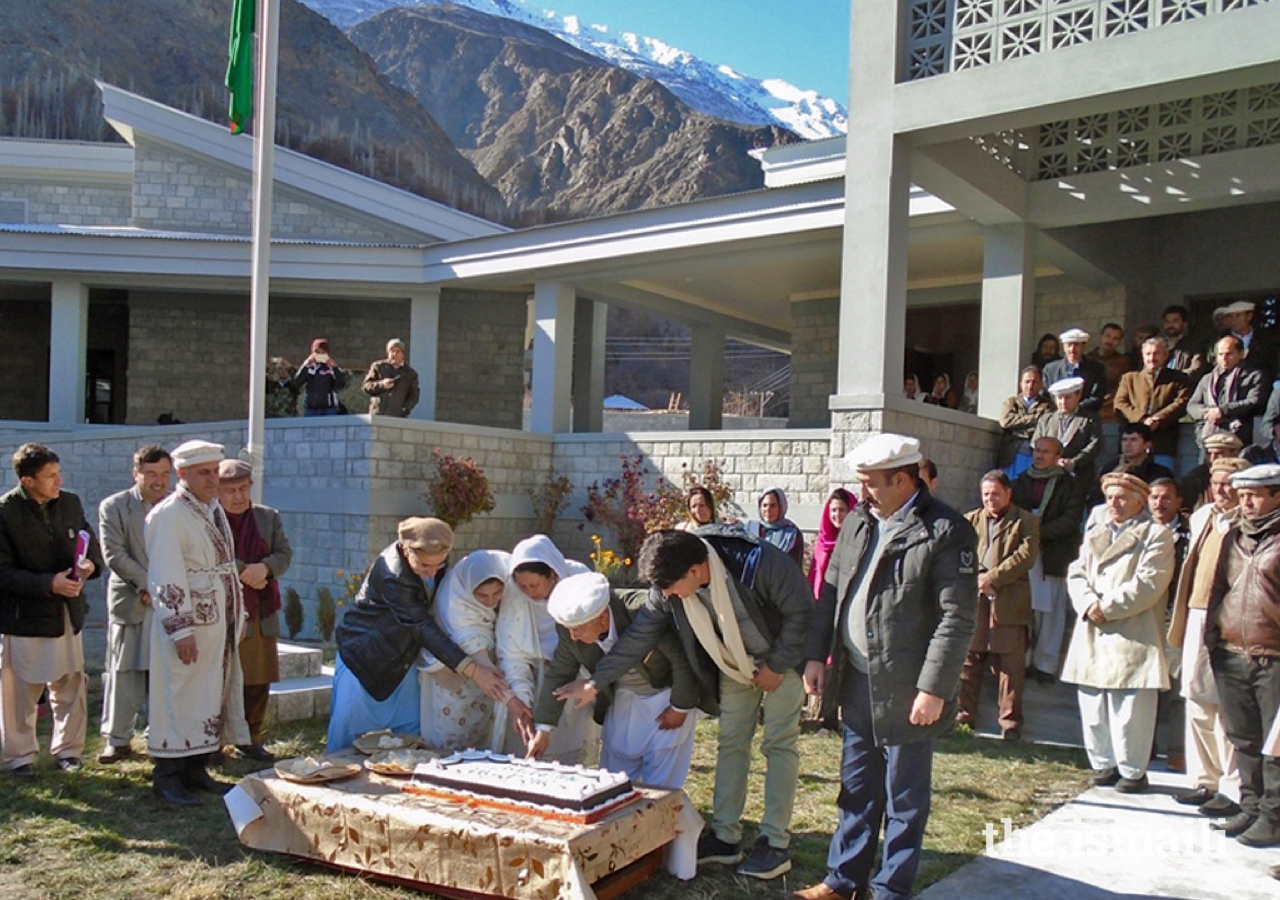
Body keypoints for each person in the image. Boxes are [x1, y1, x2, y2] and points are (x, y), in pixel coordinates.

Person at [559, 524, 814, 881]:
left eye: (670, 588)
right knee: (731, 743)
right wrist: (595, 682)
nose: (667, 596)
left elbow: (802, 611)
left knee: (778, 744)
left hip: (781, 661)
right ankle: (726, 837)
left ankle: (774, 843)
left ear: (695, 571)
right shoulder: (668, 586)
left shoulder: (758, 562)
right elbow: (636, 639)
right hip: (733, 663)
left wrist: (777, 665)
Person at [793, 433, 976, 900]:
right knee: (856, 788)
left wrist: (933, 688)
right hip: (855, 678)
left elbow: (956, 618)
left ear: (901, 479)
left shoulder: (946, 531)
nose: (862, 493)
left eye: (870, 483)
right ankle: (842, 879)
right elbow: (830, 592)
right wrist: (817, 655)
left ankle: (890, 888)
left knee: (904, 798)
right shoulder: (858, 521)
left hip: (909, 688)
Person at [327, 517, 509, 752]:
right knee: (344, 738)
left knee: (411, 740)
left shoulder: (435, 563)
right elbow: (420, 625)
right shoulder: (392, 573)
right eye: (424, 566)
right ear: (405, 549)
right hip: (364, 659)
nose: (432, 572)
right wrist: (474, 671)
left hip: (404, 662)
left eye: (439, 565)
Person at [528, 572, 706, 789]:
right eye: (569, 630)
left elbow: (681, 660)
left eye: (578, 630)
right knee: (614, 777)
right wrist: (543, 730)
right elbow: (559, 673)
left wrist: (680, 707)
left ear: (603, 617)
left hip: (666, 692)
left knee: (661, 780)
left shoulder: (644, 612)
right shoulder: (570, 630)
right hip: (622, 695)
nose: (573, 637)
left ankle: (669, 820)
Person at [145, 440, 248, 805]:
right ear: (182, 473)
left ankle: (195, 768)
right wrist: (180, 627)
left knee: (206, 692)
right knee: (179, 692)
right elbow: (165, 573)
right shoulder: (168, 515)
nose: (211, 479)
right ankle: (167, 775)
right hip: (188, 626)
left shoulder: (213, 509)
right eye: (203, 473)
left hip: (216, 622)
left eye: (215, 472)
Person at [1062, 472, 1174, 794]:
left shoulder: (1156, 535)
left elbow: (1149, 584)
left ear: (1140, 501)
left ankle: (1133, 770)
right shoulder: (1095, 530)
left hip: (1131, 630)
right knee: (1093, 702)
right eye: (1110, 497)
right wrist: (1086, 603)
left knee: (1130, 708)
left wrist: (1106, 607)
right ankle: (1103, 764)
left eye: (1122, 497)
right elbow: (1077, 571)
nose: (1114, 503)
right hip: (1093, 626)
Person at [0, 443, 103, 778]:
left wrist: (88, 567)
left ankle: (69, 752)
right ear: (28, 481)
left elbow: (90, 544)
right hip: (24, 617)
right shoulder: (5, 512)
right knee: (20, 691)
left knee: (71, 685)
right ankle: (19, 757)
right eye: (50, 476)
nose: (59, 481)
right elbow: (2, 572)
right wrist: (49, 584)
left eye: (59, 473)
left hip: (67, 613)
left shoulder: (69, 502)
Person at [1167, 458, 1248, 819]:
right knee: (1196, 700)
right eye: (1217, 482)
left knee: (1228, 706)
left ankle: (1233, 788)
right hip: (1197, 615)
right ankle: (1204, 780)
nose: (1222, 489)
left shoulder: (1250, 524)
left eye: (1230, 482)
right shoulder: (1200, 518)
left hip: (1231, 621)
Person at [1205, 463, 1280, 846]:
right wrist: (1214, 640)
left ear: (1276, 495)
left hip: (1273, 657)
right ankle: (1250, 807)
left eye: (1255, 494)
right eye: (1243, 494)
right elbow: (1220, 589)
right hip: (1232, 652)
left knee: (1275, 745)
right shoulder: (1234, 537)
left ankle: (1273, 817)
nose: (1246, 501)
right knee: (1244, 737)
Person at [97, 444, 172, 764]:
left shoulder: (178, 507)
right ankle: (117, 739)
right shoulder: (114, 506)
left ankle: (162, 737)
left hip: (169, 603)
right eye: (151, 474)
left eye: (165, 474)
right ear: (136, 473)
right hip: (132, 602)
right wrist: (147, 585)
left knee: (165, 674)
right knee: (124, 673)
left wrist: (161, 589)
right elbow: (114, 554)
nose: (159, 481)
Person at [494, 535, 594, 762]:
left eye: (535, 585)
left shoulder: (579, 579)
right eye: (523, 586)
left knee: (566, 747)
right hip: (529, 676)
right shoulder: (515, 595)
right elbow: (512, 652)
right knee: (526, 746)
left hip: (575, 677)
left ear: (554, 574)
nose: (529, 592)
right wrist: (521, 700)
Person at [217, 459, 292, 762]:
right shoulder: (210, 518)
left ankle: (251, 738)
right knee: (222, 680)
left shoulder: (267, 517)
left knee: (259, 677)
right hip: (226, 609)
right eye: (230, 490)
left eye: (243, 488)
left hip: (262, 608)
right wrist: (244, 569)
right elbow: (211, 556)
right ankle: (214, 741)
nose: (238, 496)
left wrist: (266, 568)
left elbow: (284, 553)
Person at [959, 471, 1039, 741]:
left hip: (1009, 602)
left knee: (1010, 667)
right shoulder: (969, 520)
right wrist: (978, 579)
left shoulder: (1026, 521)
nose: (990, 499)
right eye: (985, 494)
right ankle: (963, 717)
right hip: (974, 599)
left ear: (1008, 493)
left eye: (995, 493)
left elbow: (1025, 556)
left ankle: (1011, 725)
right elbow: (959, 553)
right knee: (969, 662)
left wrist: (993, 577)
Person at [420, 549, 510, 752]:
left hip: (484, 676)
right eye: (482, 595)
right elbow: (470, 641)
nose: (490, 601)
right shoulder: (456, 601)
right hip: (452, 675)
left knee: (480, 733)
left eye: (497, 593)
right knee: (451, 736)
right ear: (468, 589)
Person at [1013, 436, 1084, 684]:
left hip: (1054, 553)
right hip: (1025, 553)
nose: (1040, 456)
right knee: (1025, 609)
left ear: (1057, 456)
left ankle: (1046, 665)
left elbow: (1070, 519)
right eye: (1037, 451)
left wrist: (1039, 533)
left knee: (1052, 612)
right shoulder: (1020, 482)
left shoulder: (1068, 485)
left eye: (1046, 452)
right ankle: (1023, 660)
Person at [1147, 477, 1189, 773]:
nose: (1159, 503)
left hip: (1177, 615)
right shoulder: (1140, 531)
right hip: (1145, 616)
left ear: (1178, 502)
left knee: (1177, 689)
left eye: (1166, 498)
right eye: (1154, 497)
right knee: (1147, 687)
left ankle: (1178, 751)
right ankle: (1144, 747)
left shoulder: (1191, 533)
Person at [809, 488, 855, 733]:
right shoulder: (822, 540)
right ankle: (823, 716)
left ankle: (838, 718)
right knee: (822, 661)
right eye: (833, 510)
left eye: (843, 510)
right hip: (821, 608)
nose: (838, 515)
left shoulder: (856, 542)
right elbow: (814, 573)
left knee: (840, 663)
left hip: (846, 610)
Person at [1114, 335, 1193, 471]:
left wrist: (1158, 419)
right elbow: (1120, 403)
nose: (1152, 358)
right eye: (1148, 354)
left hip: (1162, 443)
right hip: (1131, 445)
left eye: (1156, 353)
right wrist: (1142, 419)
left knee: (1160, 484)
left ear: (1165, 355)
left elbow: (1182, 402)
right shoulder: (1130, 378)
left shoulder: (1179, 379)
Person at [1188, 335, 1268, 451]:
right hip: (1208, 439)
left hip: (1238, 437)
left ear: (1242, 354)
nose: (1224, 359)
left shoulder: (1254, 376)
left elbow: (1254, 401)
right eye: (1220, 354)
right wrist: (1209, 413)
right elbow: (1192, 406)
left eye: (1229, 354)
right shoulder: (1207, 379)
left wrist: (1223, 410)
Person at [1032, 376, 1102, 485]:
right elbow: (1035, 443)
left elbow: (1094, 444)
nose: (1063, 402)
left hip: (1078, 475)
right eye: (1059, 398)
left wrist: (1074, 462)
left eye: (1067, 397)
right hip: (1046, 475)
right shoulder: (1045, 419)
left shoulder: (1090, 419)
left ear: (1078, 396)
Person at [997, 366, 1052, 478]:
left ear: (1041, 384)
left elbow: (1044, 424)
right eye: (1027, 382)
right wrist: (1033, 419)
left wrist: (1018, 426)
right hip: (1010, 454)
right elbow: (1005, 422)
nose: (1030, 386)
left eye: (1034, 382)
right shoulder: (1012, 402)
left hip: (1032, 454)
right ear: (1021, 383)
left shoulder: (1047, 405)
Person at [1043, 327, 1106, 415]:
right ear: (1064, 347)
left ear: (1084, 346)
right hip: (1056, 418)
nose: (1072, 349)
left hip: (1085, 418)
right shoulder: (1050, 369)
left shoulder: (1095, 369)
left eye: (1076, 345)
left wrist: (1074, 408)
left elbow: (1096, 398)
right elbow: (1046, 396)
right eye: (1069, 345)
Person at [1179, 432, 1244, 512]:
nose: (1212, 458)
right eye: (1209, 454)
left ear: (1234, 453)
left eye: (1218, 453)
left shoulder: (1246, 477)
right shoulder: (1193, 479)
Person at [1085, 322, 1134, 421]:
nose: (1110, 341)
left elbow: (1122, 388)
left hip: (1109, 411)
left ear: (1119, 342)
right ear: (1100, 337)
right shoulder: (1087, 359)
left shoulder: (1123, 362)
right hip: (1085, 408)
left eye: (1115, 338)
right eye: (1107, 336)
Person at [746, 487, 804, 568]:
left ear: (781, 507)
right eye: (765, 505)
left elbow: (794, 567)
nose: (768, 510)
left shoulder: (791, 534)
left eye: (773, 506)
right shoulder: (750, 529)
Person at [362, 338, 420, 418]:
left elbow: (414, 395)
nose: (394, 354)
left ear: (403, 354)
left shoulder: (410, 374)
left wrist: (404, 409)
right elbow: (366, 386)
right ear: (387, 352)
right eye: (392, 351)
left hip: (397, 417)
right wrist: (382, 385)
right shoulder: (378, 367)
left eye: (397, 351)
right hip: (377, 414)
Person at [1221, 299, 1277, 377]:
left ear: (1249, 316)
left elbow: (1272, 362)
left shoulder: (1264, 338)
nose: (1234, 320)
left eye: (1238, 316)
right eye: (1230, 317)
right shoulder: (1222, 339)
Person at [293, 338, 348, 417]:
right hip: (311, 409)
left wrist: (334, 367)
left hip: (329, 409)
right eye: (317, 352)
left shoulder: (331, 368)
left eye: (323, 352)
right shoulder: (309, 368)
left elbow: (341, 385)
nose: (320, 355)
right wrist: (306, 365)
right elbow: (297, 382)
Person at [1162, 304, 1207, 382]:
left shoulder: (1194, 346)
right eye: (1167, 321)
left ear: (1185, 324)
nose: (1170, 325)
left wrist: (1172, 376)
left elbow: (1196, 370)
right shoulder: (1158, 345)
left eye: (1175, 321)